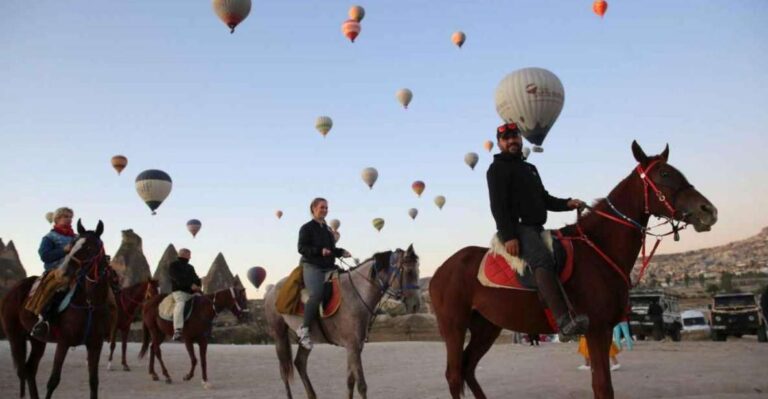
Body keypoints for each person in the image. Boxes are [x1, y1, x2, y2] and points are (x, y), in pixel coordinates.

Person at [486, 122, 588, 337]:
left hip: (536, 226)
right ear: (499, 143)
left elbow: (544, 199)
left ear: (521, 139)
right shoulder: (497, 168)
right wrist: (509, 236)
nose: (512, 141)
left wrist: (567, 203)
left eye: (516, 137)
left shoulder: (530, 168)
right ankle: (563, 320)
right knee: (541, 260)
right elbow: (498, 205)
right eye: (507, 139)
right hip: (517, 228)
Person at [296, 198, 351, 350]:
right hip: (313, 266)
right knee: (316, 294)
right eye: (322, 207)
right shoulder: (306, 228)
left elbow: (331, 249)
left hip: (329, 266)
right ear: (313, 208)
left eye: (327, 208)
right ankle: (304, 329)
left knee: (348, 284)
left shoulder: (327, 230)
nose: (325, 210)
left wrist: (341, 252)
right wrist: (319, 251)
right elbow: (301, 248)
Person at [26, 207, 77, 339]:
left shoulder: (76, 237)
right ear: (57, 219)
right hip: (56, 271)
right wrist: (63, 251)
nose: (69, 219)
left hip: (76, 271)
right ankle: (43, 321)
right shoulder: (49, 237)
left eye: (70, 217)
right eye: (65, 216)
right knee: (56, 288)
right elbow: (45, 256)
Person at [169, 249, 201, 341]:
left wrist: (198, 285)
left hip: (192, 293)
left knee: (204, 302)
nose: (190, 257)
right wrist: (191, 285)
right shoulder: (173, 265)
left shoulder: (190, 267)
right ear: (184, 255)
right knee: (181, 304)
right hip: (179, 292)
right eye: (189, 255)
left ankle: (204, 328)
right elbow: (176, 278)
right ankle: (177, 330)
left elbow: (196, 278)